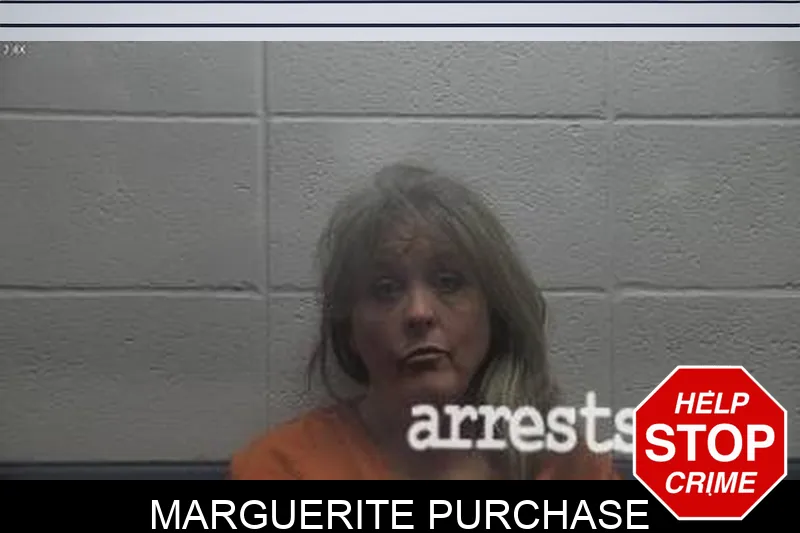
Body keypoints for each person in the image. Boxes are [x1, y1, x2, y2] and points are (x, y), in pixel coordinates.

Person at [229, 163, 619, 480]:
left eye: (449, 282)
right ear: (349, 330)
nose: (419, 313)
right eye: (385, 289)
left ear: (495, 311)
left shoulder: (566, 465)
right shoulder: (283, 469)